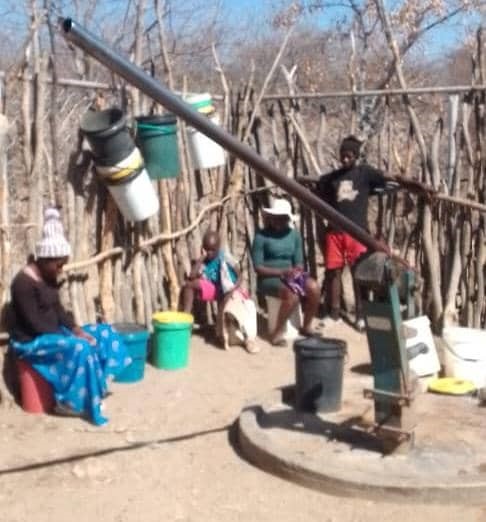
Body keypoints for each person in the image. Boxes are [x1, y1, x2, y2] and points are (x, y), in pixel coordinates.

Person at [9, 207, 131, 426]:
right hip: (31, 341)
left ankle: (95, 386)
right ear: (45, 259)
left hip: (52, 332)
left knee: (103, 332)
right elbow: (34, 324)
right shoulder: (22, 284)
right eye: (59, 264)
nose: (61, 269)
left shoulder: (48, 277)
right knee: (79, 347)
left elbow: (58, 311)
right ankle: (69, 401)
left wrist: (77, 330)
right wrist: (74, 339)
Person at [316, 135, 398, 331]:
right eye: (342, 156)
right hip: (335, 232)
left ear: (356, 156)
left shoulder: (364, 174)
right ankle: (334, 313)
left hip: (357, 232)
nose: (345, 159)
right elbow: (321, 189)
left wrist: (404, 180)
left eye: (349, 156)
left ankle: (361, 315)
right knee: (333, 272)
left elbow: (385, 178)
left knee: (358, 273)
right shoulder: (332, 179)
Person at [251, 198, 320, 346]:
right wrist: (282, 272)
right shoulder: (261, 237)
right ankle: (277, 333)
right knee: (292, 294)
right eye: (275, 218)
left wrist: (297, 270)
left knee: (313, 288)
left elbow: (299, 261)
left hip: (290, 275)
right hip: (269, 277)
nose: (278, 222)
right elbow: (258, 267)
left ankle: (306, 326)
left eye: (282, 219)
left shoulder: (294, 235)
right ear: (270, 218)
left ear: (288, 219)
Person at [179, 230, 243, 341]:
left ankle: (221, 330)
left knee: (222, 314)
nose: (209, 253)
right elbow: (192, 276)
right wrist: (201, 259)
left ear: (218, 248)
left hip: (226, 288)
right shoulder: (204, 260)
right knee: (189, 285)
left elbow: (240, 276)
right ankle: (186, 319)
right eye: (207, 249)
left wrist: (234, 288)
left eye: (213, 250)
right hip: (213, 288)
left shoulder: (225, 257)